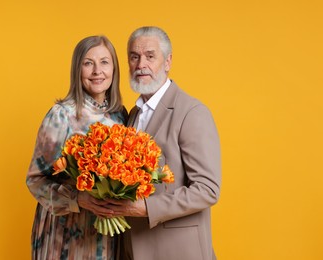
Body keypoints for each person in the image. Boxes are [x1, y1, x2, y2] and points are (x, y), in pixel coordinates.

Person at [105, 26, 221, 260]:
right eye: (134, 57)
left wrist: (147, 208)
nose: (140, 65)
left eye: (150, 56)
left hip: (177, 251)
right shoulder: (133, 115)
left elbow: (208, 190)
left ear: (167, 62)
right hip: (132, 248)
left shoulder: (192, 112)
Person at [26, 35, 127, 260]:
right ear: (77, 69)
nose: (97, 71)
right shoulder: (62, 115)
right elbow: (35, 181)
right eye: (88, 63)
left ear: (114, 68)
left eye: (104, 62)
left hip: (106, 234)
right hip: (66, 234)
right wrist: (77, 199)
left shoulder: (121, 114)